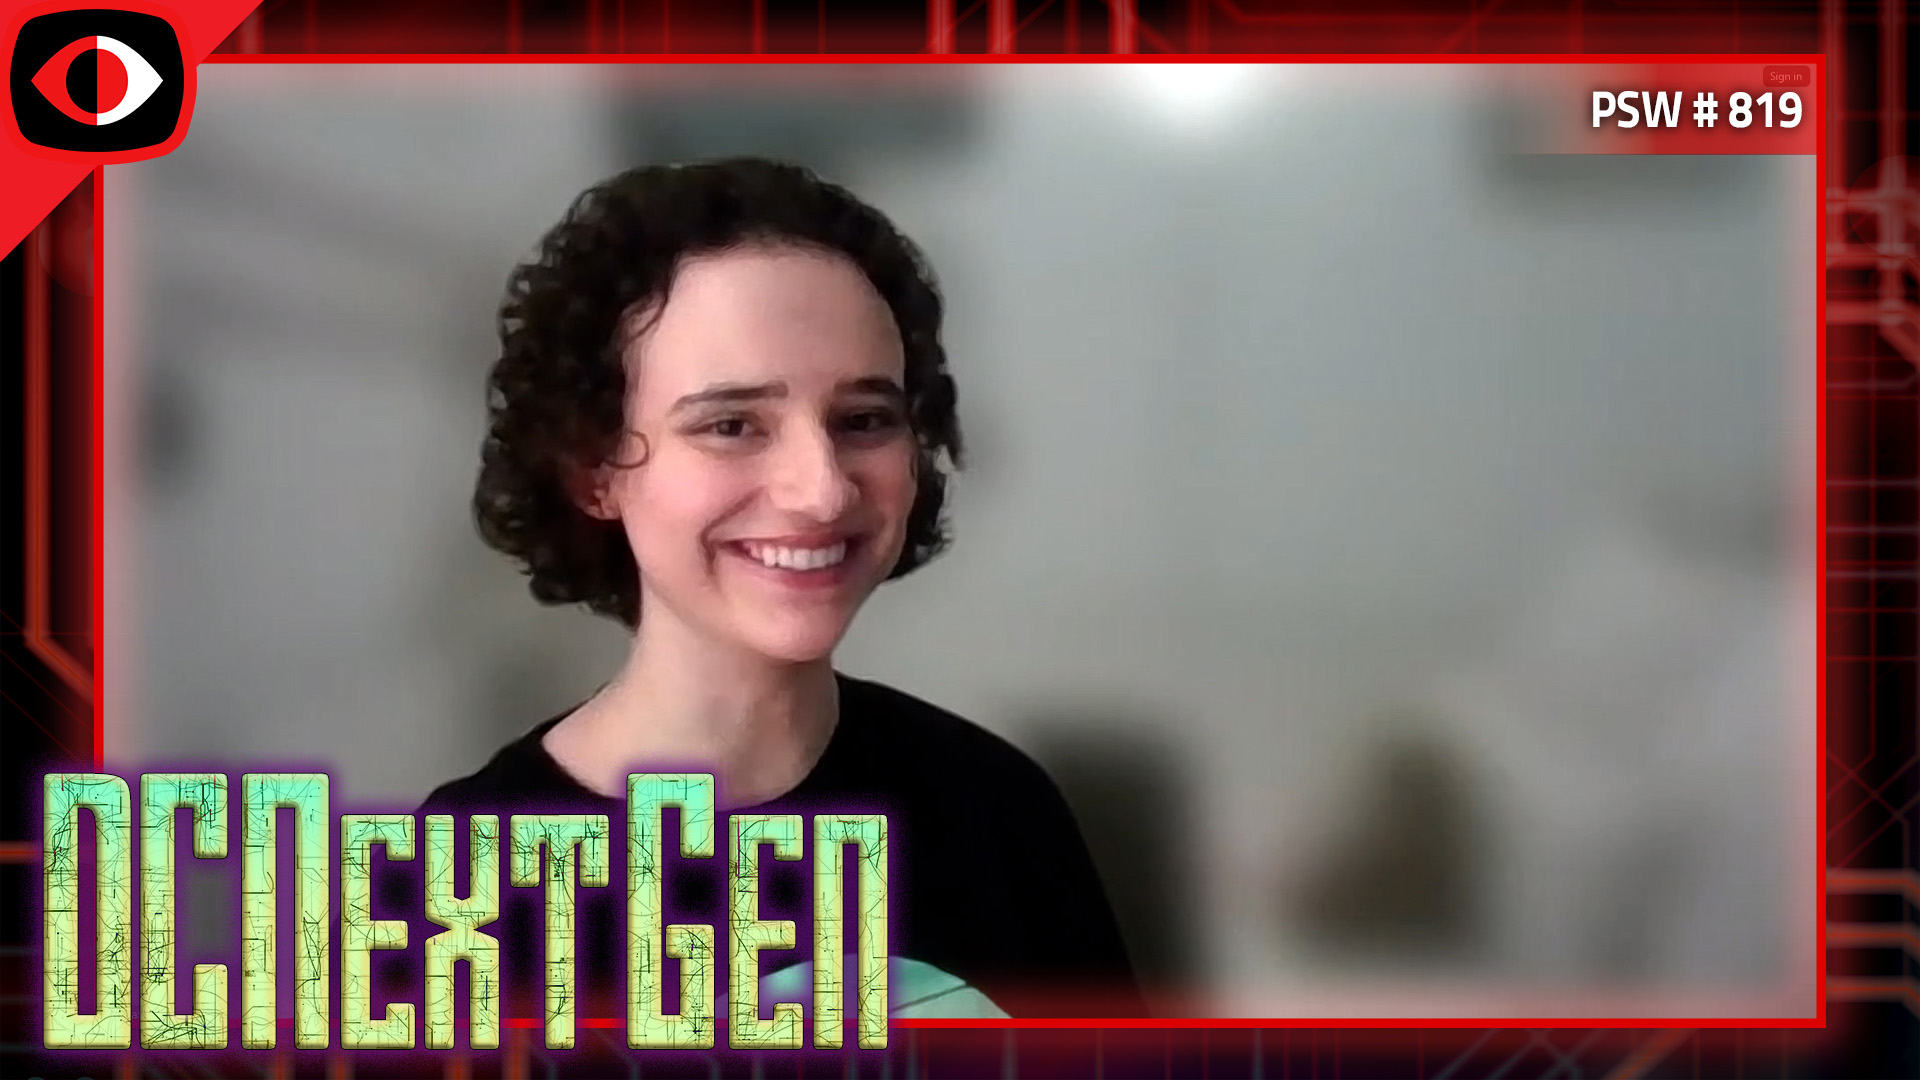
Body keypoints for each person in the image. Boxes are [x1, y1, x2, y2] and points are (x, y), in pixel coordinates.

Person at [420, 158, 1145, 1020]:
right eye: (732, 425)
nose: (823, 490)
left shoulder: (999, 811)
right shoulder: (451, 890)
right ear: (593, 470)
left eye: (864, 420)